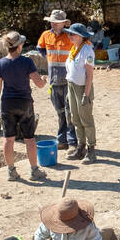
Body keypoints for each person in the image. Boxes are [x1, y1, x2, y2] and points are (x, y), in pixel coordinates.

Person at [0, 31, 47, 181]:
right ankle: (34, 170)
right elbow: (39, 84)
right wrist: (44, 79)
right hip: (25, 103)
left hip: (7, 104)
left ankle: (11, 171)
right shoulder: (27, 62)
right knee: (29, 139)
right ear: (19, 46)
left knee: (8, 139)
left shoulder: (0, 64)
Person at [38, 9, 76, 150]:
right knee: (59, 112)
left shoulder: (71, 36)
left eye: (56, 22)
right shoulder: (45, 35)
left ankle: (72, 142)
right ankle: (62, 140)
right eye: (52, 22)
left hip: (68, 80)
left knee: (69, 112)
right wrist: (49, 59)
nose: (53, 24)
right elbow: (40, 48)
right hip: (53, 80)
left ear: (64, 24)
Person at [64, 22, 98, 164]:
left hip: (83, 87)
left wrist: (86, 94)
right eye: (69, 33)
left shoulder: (87, 51)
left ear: (81, 36)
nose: (69, 36)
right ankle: (81, 147)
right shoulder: (75, 48)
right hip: (72, 86)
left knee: (86, 119)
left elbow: (89, 75)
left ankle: (91, 151)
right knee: (75, 118)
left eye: (72, 34)